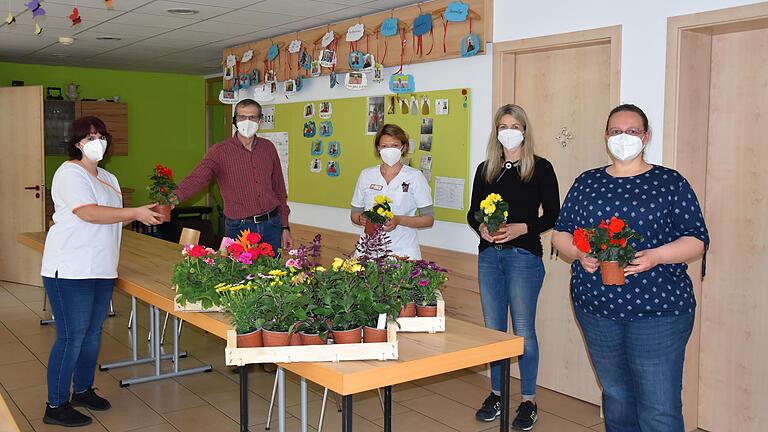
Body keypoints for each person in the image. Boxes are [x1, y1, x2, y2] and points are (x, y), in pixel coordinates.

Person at [552, 104, 709, 432]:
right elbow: (561, 233)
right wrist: (579, 253)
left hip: (659, 312)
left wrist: (656, 255)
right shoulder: (587, 182)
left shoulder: (669, 182)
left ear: (646, 137)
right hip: (596, 310)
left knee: (658, 407)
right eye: (615, 131)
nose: (623, 137)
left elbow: (696, 240)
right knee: (617, 397)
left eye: (632, 131)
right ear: (605, 137)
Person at [41, 116, 163, 427]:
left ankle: (82, 389)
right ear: (77, 143)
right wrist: (134, 211)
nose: (97, 141)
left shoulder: (108, 177)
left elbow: (113, 217)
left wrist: (143, 213)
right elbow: (89, 213)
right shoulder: (68, 173)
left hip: (101, 267)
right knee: (71, 337)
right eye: (89, 136)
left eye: (101, 135)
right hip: (70, 268)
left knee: (92, 336)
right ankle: (55, 405)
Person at [467, 104, 560, 430]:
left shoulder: (540, 168)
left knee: (523, 331)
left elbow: (553, 215)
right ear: (496, 131)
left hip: (523, 258)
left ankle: (528, 399)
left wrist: (523, 227)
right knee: (493, 331)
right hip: (490, 258)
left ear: (524, 130)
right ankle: (496, 393)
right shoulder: (486, 169)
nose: (509, 130)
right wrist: (481, 228)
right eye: (503, 125)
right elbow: (472, 213)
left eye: (515, 125)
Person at [175, 99, 292, 253]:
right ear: (235, 121)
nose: (247, 122)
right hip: (240, 228)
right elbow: (198, 178)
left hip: (272, 226)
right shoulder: (219, 151)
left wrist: (285, 226)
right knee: (240, 275)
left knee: (273, 275)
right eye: (242, 117)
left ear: (260, 121)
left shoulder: (268, 148)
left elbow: (279, 189)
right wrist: (173, 198)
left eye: (252, 117)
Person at [351, 124, 433, 259]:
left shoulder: (415, 176)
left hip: (403, 251)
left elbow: (428, 219)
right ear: (378, 148)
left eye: (394, 145)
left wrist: (398, 220)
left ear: (403, 147)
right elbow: (354, 214)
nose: (389, 150)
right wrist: (361, 219)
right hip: (368, 250)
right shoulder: (366, 175)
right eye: (384, 146)